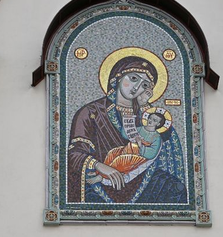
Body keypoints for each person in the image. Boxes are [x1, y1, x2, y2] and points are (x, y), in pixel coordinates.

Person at [66, 55, 187, 205]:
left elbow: (164, 143)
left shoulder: (149, 115)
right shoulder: (91, 112)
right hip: (102, 180)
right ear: (117, 77)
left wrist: (144, 108)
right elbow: (75, 154)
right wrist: (101, 167)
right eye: (134, 78)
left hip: (144, 176)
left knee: (176, 188)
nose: (136, 88)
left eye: (144, 85)